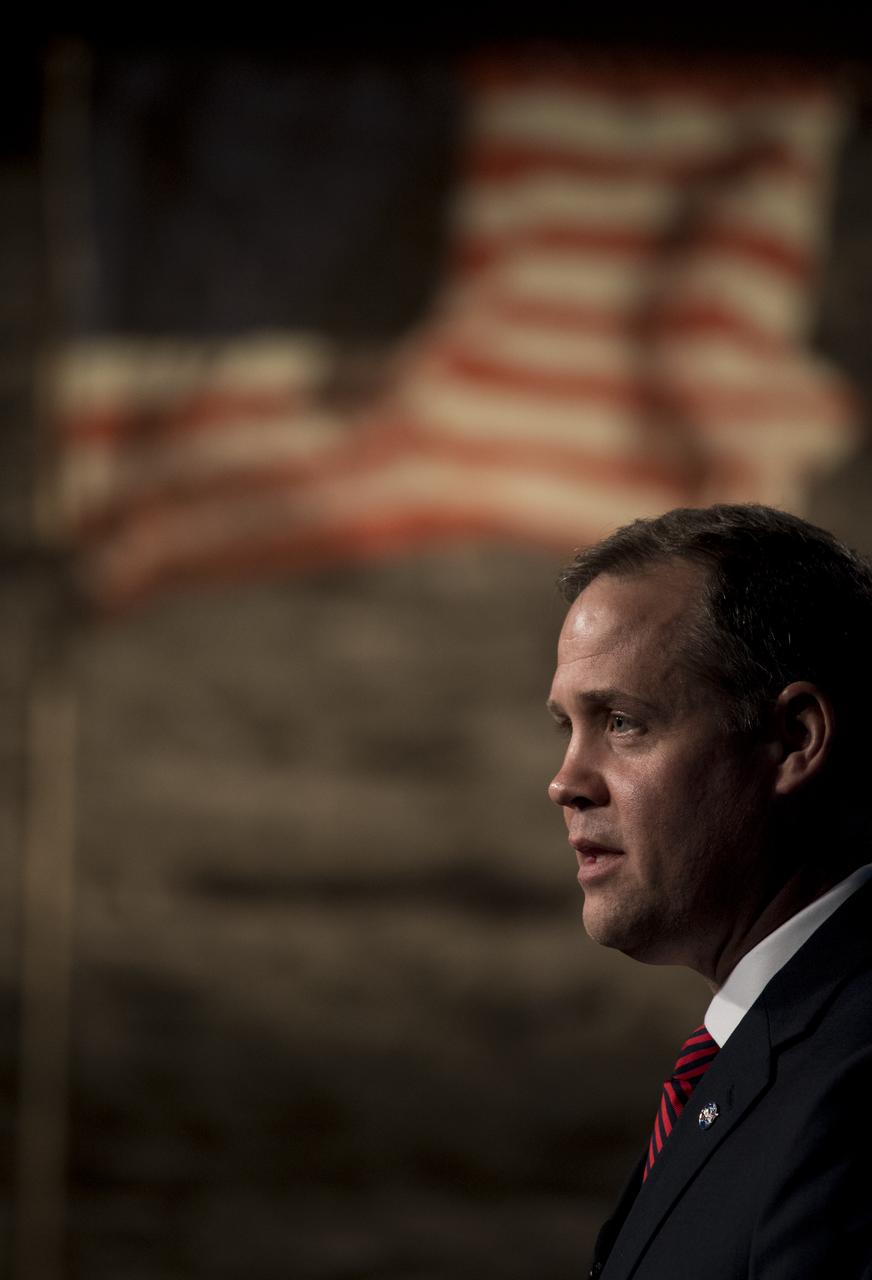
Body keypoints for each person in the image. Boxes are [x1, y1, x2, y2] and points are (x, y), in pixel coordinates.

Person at [546, 504, 872, 1279]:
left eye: (623, 722)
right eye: (566, 726)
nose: (565, 782)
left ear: (794, 738)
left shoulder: (854, 1086)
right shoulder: (775, 1044)